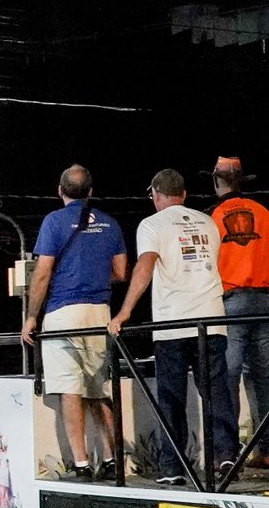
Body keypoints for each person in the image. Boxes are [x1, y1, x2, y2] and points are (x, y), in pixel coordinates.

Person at [111, 168, 236, 484]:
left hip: (173, 323)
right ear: (184, 194)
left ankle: (174, 467)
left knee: (171, 396)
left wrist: (124, 312)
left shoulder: (152, 225)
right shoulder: (207, 222)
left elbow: (145, 266)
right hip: (211, 318)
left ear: (155, 195)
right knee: (216, 391)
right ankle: (227, 456)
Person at [20, 164, 128, 479]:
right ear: (91, 192)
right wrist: (93, 278)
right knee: (98, 390)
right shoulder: (110, 223)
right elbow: (121, 273)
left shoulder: (53, 222)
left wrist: (30, 317)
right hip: (99, 312)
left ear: (60, 190)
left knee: (70, 389)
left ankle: (81, 463)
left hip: (62, 313)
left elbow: (42, 275)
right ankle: (112, 459)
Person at [210, 156, 269, 469]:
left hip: (230, 303)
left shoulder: (213, 218)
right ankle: (267, 449)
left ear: (215, 179)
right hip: (264, 302)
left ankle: (228, 453)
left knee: (227, 377)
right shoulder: (263, 213)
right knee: (264, 377)